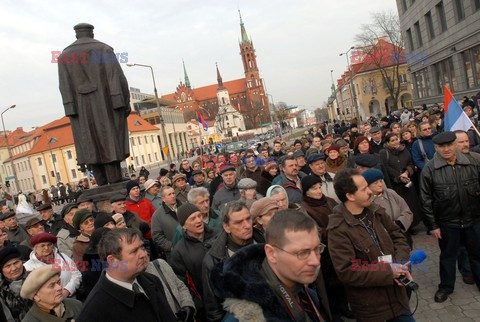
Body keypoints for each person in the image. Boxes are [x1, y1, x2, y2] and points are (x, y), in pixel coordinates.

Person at [211, 209, 331, 321]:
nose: (315, 261)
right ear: (271, 253)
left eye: (317, 249)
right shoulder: (245, 316)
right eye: (302, 253)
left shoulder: (309, 296)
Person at [328, 168, 413, 321]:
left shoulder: (376, 211)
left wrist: (400, 266)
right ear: (350, 196)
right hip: (372, 309)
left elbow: (398, 237)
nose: (370, 192)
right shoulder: (338, 229)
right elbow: (348, 271)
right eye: (364, 189)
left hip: (398, 299)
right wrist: (388, 272)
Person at [58, 23, 130, 185]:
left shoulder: (65, 55)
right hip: (107, 103)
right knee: (109, 137)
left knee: (88, 140)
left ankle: (100, 180)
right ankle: (114, 177)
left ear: (77, 35)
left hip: (79, 108)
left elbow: (63, 84)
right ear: (91, 33)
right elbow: (117, 77)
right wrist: (123, 102)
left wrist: (70, 107)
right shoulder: (103, 50)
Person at [420, 131, 480, 302]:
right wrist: (433, 226)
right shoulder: (429, 169)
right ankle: (446, 287)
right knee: (448, 257)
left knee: (477, 254)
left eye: (449, 145)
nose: (446, 149)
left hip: (474, 219)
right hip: (447, 223)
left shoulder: (474, 162)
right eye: (441, 146)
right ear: (436, 148)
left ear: (455, 145)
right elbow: (426, 200)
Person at [76, 228, 178, 321]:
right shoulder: (94, 311)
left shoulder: (152, 281)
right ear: (112, 261)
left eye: (142, 247)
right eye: (134, 251)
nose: (143, 254)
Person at [202, 201, 264, 321]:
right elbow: (213, 309)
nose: (247, 225)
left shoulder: (265, 243)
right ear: (227, 227)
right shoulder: (214, 260)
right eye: (239, 222)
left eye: (248, 219)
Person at [169, 203, 218, 320]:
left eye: (199, 216)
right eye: (193, 218)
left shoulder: (218, 235)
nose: (198, 220)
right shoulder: (179, 252)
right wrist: (199, 306)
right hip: (207, 307)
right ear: (184, 226)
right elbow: (182, 284)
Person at [379, 132, 423, 227]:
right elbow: (386, 168)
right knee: (400, 206)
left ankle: (413, 224)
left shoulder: (405, 150)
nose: (395, 142)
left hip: (407, 182)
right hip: (395, 184)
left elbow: (410, 163)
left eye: (396, 139)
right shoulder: (384, 152)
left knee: (412, 204)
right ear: (387, 143)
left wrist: (407, 173)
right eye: (392, 140)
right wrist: (399, 176)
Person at [362, 168, 414, 247]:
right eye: (375, 183)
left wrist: (399, 224)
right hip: (384, 241)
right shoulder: (366, 201)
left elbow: (406, 211)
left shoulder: (391, 193)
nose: (380, 184)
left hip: (402, 235)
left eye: (380, 181)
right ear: (367, 186)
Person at [24, 233, 82, 298]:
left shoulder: (63, 257)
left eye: (49, 245)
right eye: (42, 245)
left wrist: (68, 290)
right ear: (35, 248)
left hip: (70, 297)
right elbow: (31, 289)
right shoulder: (28, 266)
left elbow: (76, 274)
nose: (46, 248)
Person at [0, 247, 32, 321]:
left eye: (16, 263)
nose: (14, 268)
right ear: (2, 270)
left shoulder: (34, 278)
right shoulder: (1, 290)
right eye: (8, 266)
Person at [152, 186, 182, 258]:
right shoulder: (157, 215)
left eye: (173, 193)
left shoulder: (184, 206)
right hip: (174, 254)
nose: (173, 196)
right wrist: (171, 247)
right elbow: (156, 236)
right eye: (169, 194)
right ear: (163, 199)